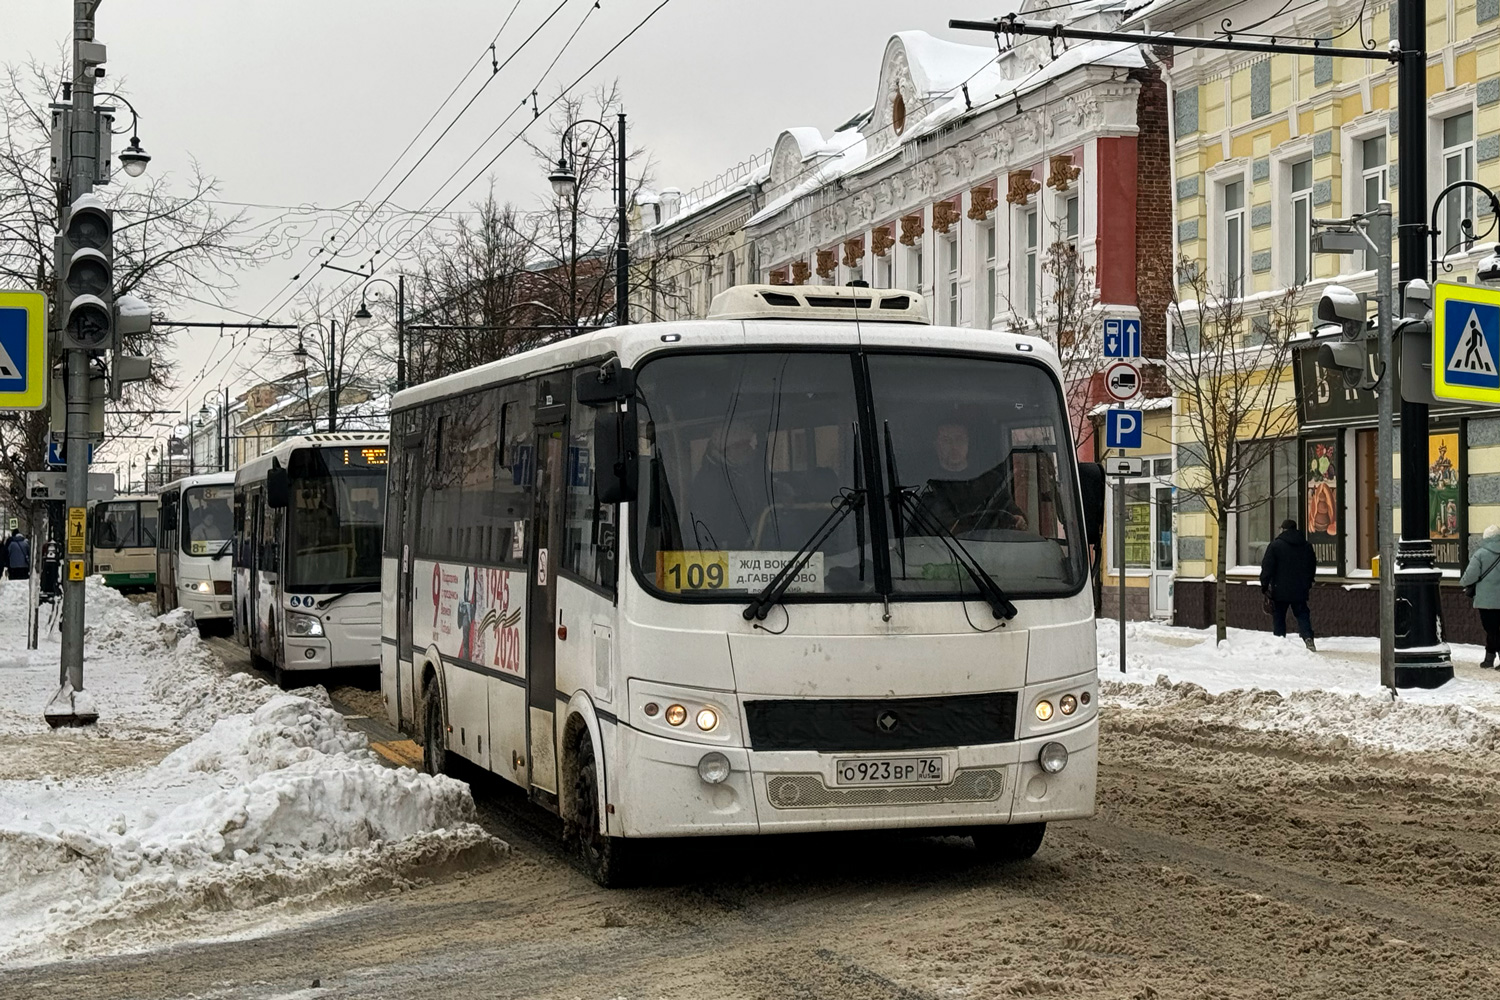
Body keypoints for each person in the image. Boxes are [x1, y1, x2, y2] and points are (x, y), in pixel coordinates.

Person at [915, 421, 1027, 535]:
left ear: (968, 442)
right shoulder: (927, 486)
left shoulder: (990, 480)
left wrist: (1019, 519)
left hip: (989, 547)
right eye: (946, 440)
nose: (954, 446)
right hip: (945, 549)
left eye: (960, 439)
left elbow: (1010, 510)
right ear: (936, 445)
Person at [686, 420, 770, 550]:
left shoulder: (737, 473)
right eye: (740, 446)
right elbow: (713, 527)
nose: (748, 450)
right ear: (724, 450)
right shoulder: (710, 480)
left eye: (747, 444)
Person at [1260, 518, 1318, 650]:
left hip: (1279, 589)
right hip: (1300, 589)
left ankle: (1280, 643)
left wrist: (1264, 585)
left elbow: (1267, 567)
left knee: (1279, 616)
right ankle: (1308, 637)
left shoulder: (1275, 546)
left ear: (1283, 529)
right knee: (1302, 614)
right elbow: (1311, 566)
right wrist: (1308, 582)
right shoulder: (1306, 545)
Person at [1460, 524, 1500, 669]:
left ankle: (1489, 659)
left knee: (1491, 630)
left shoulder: (1481, 554)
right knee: (1495, 630)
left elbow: (1469, 576)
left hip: (1486, 601)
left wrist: (1463, 582)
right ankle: (1489, 659)